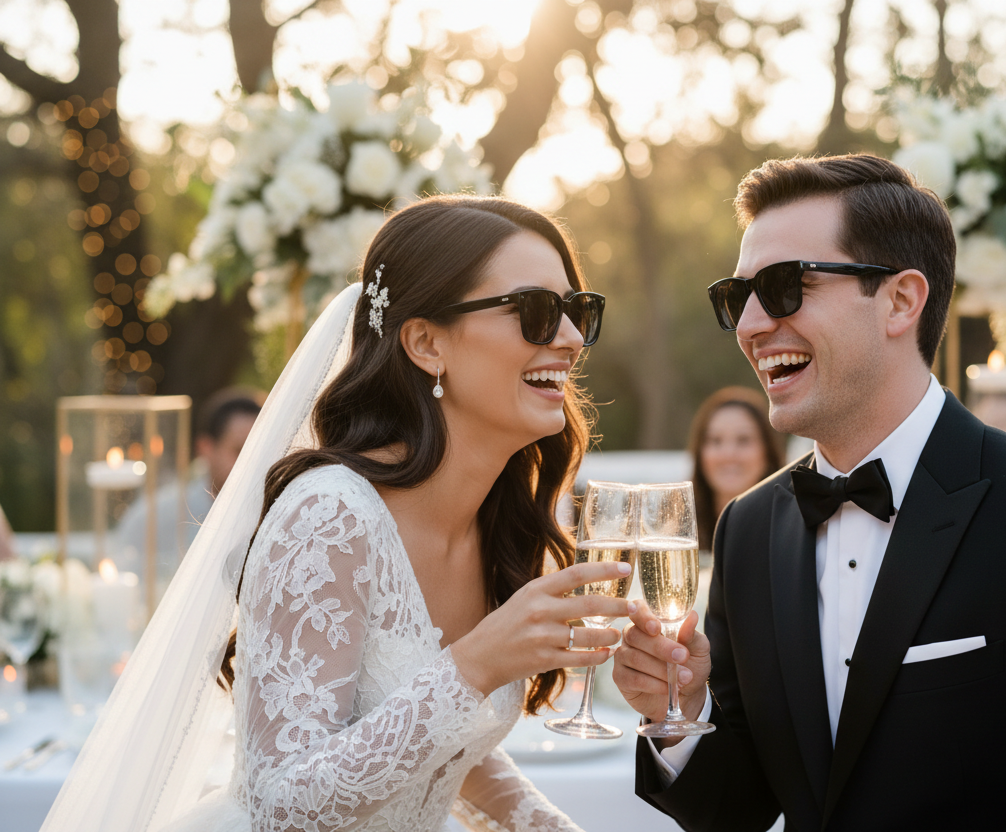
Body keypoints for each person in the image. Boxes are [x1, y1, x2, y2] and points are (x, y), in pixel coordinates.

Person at [613, 154, 1006, 831]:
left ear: (900, 301)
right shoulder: (749, 527)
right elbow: (738, 807)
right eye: (736, 296)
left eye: (783, 286)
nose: (748, 325)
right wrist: (680, 714)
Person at [42, 195, 624, 832]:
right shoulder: (329, 517)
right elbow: (280, 803)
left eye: (577, 311)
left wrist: (548, 826)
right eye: (536, 311)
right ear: (426, 343)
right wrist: (475, 665)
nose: (571, 339)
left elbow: (449, 739)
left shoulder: (497, 517)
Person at [113, 387, 263, 587]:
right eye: (240, 451)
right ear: (205, 448)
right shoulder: (155, 517)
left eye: (261, 453)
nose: (253, 464)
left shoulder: (280, 516)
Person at [688, 386, 784, 549]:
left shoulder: (794, 532)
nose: (729, 454)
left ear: (768, 451)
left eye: (743, 440)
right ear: (699, 453)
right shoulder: (673, 533)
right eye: (715, 440)